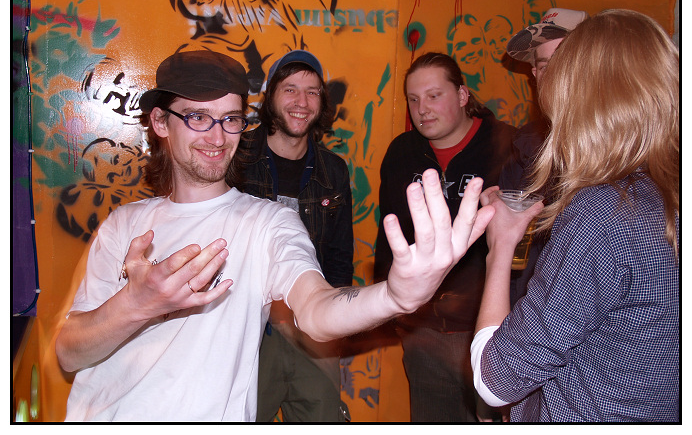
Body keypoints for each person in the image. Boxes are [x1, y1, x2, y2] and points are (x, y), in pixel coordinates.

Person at [55, 49, 495, 422]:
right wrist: (135, 304)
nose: (217, 136)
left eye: (230, 119)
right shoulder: (124, 225)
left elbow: (316, 308)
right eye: (198, 117)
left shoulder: (267, 222)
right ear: (160, 122)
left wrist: (394, 297)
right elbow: (70, 353)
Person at [472, 9, 679, 422]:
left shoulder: (605, 211)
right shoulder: (664, 190)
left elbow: (495, 380)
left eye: (558, 69)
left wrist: (501, 247)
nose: (542, 81)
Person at [373, 52, 516, 422]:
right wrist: (391, 307)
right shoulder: (403, 152)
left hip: (489, 331)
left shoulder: (510, 148)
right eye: (414, 99)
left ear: (463, 95)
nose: (422, 109)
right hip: (423, 329)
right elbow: (389, 234)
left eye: (434, 96)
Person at [238, 50, 352, 422]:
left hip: (312, 333)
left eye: (312, 91)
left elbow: (339, 258)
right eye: (290, 89)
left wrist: (333, 331)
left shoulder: (333, 171)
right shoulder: (235, 157)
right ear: (271, 95)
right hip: (249, 332)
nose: (302, 102)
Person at [501, 7, 588, 305]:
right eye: (544, 65)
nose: (553, 76)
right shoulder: (524, 148)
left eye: (564, 62)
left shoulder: (624, 150)